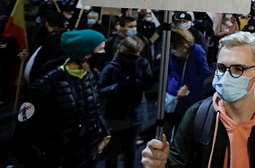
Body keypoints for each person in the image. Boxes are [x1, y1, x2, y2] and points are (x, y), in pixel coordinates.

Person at [140, 31, 255, 168]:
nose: (226, 76)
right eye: (221, 68)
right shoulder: (198, 116)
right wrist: (160, 165)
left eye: (238, 69)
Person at [14, 29, 111, 168]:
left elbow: (93, 110)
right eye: (100, 49)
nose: (103, 53)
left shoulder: (91, 75)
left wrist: (103, 134)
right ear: (85, 53)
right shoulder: (45, 84)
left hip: (85, 156)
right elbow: (23, 132)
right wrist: (42, 160)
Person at [99, 36, 154, 168]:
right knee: (114, 147)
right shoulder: (112, 67)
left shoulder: (142, 63)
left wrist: (138, 84)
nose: (137, 55)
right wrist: (119, 87)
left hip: (135, 111)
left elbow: (149, 82)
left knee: (131, 147)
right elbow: (101, 89)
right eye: (135, 52)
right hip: (116, 113)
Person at [164, 28, 211, 139]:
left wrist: (188, 86)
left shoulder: (196, 51)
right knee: (167, 127)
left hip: (189, 96)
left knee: (183, 129)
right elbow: (170, 72)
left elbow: (205, 72)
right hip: (171, 95)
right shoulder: (171, 50)